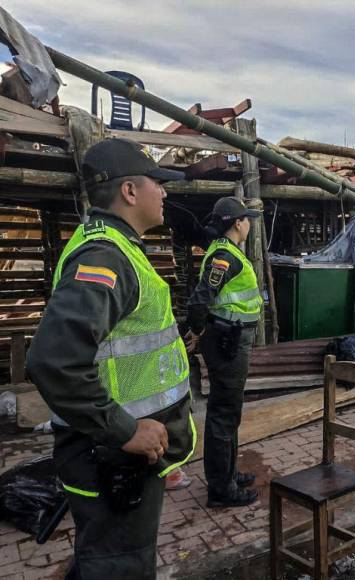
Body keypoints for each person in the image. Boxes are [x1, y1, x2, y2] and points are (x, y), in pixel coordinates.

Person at [26, 138, 194, 579]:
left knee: (105, 562)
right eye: (157, 183)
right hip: (112, 457)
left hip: (119, 456)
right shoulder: (105, 257)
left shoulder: (116, 247)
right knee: (118, 568)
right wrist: (124, 429)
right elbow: (53, 360)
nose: (164, 192)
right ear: (130, 192)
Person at [185, 196, 263, 508]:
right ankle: (221, 489)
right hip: (227, 340)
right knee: (223, 413)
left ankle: (227, 473)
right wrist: (196, 329)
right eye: (247, 219)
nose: (250, 224)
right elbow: (199, 300)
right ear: (236, 223)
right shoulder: (224, 257)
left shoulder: (228, 253)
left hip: (230, 338)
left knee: (229, 411)